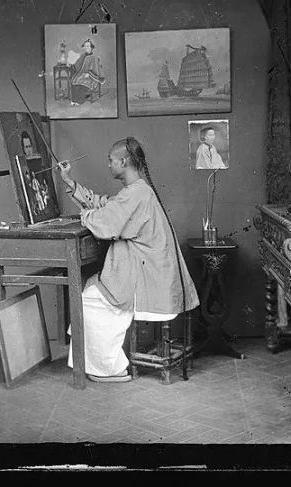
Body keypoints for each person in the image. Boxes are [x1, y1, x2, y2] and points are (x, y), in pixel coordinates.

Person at [57, 137, 199, 382]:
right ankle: (103, 363)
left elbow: (106, 222)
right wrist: (70, 182)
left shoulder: (137, 194)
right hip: (150, 270)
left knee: (88, 301)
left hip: (149, 277)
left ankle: (109, 369)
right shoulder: (136, 191)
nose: (108, 165)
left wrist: (86, 215)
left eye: (110, 160)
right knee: (91, 291)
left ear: (123, 161)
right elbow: (107, 206)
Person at [69, 38, 106, 105]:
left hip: (91, 76)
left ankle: (79, 101)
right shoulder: (82, 55)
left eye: (88, 46)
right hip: (82, 74)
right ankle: (74, 100)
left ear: (91, 47)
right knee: (75, 81)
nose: (86, 48)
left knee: (83, 84)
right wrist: (72, 63)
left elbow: (96, 69)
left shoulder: (94, 57)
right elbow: (78, 65)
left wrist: (89, 74)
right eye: (85, 46)